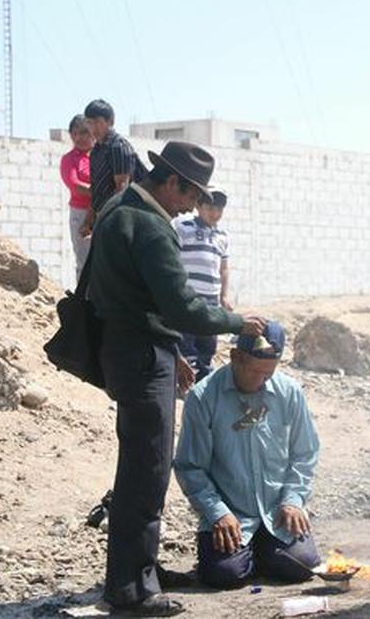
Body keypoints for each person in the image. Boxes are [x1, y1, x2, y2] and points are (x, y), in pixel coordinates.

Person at [88, 140, 265, 616]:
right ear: (170, 182)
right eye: (189, 196)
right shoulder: (149, 225)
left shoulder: (116, 208)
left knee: (136, 470)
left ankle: (134, 572)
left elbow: (132, 299)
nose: (190, 206)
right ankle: (133, 590)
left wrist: (168, 348)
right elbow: (181, 306)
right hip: (143, 360)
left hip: (130, 349)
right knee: (146, 474)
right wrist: (236, 322)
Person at [174, 321, 321, 589]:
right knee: (224, 575)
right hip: (232, 516)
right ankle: (252, 552)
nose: (260, 381)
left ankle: (264, 550)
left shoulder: (289, 392)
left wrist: (293, 499)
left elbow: (305, 453)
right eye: (254, 371)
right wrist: (218, 513)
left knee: (302, 566)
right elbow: (189, 467)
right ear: (235, 357)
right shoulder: (203, 397)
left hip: (277, 511)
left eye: (268, 374)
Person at [174, 191, 234, 382]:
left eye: (219, 209)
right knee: (187, 341)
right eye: (210, 208)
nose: (215, 213)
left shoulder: (222, 236)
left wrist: (224, 296)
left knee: (207, 341)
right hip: (189, 296)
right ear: (198, 207)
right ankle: (186, 383)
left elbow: (223, 269)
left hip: (212, 299)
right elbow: (173, 259)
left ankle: (203, 382)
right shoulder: (183, 229)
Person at [80, 99, 148, 238]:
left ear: (110, 121)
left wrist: (108, 221)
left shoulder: (118, 147)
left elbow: (122, 190)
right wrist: (88, 221)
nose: (93, 128)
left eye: (98, 122)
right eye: (89, 123)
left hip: (120, 220)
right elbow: (97, 192)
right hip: (104, 220)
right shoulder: (96, 151)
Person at [59, 114, 93, 279]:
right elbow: (74, 184)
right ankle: (83, 300)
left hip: (102, 212)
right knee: (85, 260)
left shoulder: (99, 156)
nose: (80, 137)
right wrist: (99, 192)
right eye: (76, 133)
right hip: (81, 215)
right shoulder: (69, 159)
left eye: (85, 132)